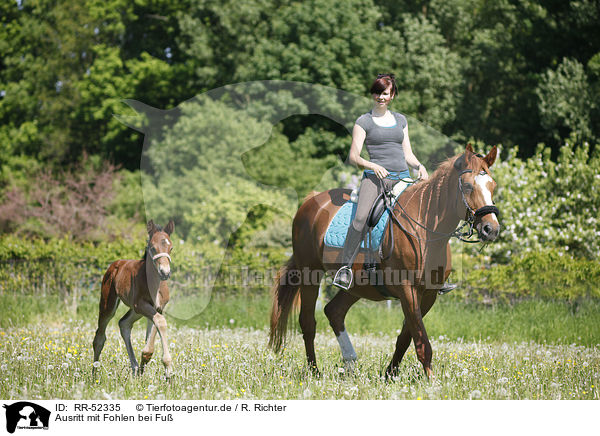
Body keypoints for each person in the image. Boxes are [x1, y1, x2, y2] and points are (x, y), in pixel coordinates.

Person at [332, 73, 429, 290]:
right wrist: (373, 166)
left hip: (403, 177)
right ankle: (344, 268)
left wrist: (419, 166)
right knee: (360, 218)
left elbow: (408, 153)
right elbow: (354, 157)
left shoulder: (401, 121)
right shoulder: (363, 121)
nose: (380, 97)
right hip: (375, 179)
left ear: (392, 95)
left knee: (424, 214)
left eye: (385, 93)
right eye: (377, 92)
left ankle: (432, 268)